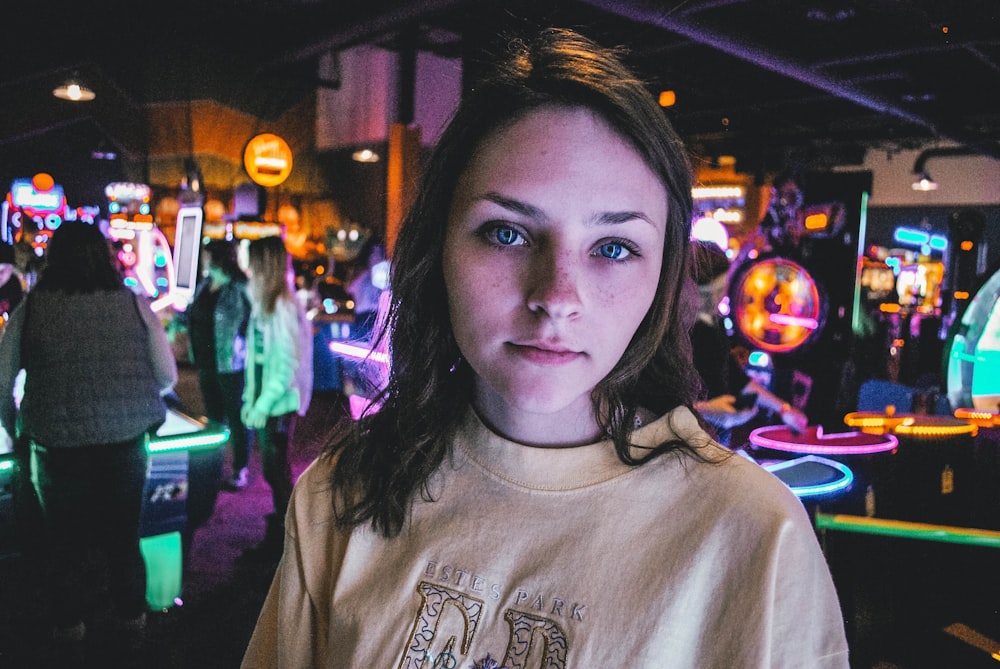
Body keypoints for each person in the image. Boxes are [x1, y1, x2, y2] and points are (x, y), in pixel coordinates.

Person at [241, 28, 848, 667]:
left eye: (614, 248)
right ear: (437, 248)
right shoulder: (344, 491)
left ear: (662, 277)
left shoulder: (754, 534)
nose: (557, 296)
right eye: (507, 233)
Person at [0, 220, 177, 659]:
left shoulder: (32, 309)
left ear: (53, 258)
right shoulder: (135, 305)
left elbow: (2, 382)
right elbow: (167, 376)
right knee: (123, 538)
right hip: (125, 443)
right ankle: (131, 628)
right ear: (104, 256)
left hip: (55, 447)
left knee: (64, 545)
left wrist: (16, 428)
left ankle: (69, 633)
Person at [690, 239, 808, 446]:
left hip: (714, 440)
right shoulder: (667, 333)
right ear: (688, 287)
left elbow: (737, 379)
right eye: (712, 294)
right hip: (684, 444)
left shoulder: (713, 324)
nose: (720, 300)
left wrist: (784, 409)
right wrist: (705, 410)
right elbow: (646, 409)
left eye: (721, 292)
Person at [241, 235, 313, 561]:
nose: (246, 265)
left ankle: (287, 545)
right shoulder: (265, 301)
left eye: (252, 259)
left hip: (279, 404)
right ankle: (284, 542)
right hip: (269, 401)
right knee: (275, 472)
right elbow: (257, 361)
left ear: (263, 264)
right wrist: (250, 398)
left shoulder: (282, 305)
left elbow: (285, 366)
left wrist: (262, 403)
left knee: (277, 472)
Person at [172, 239, 252, 491]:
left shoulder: (240, 288)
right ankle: (216, 467)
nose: (204, 260)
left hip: (230, 362)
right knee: (214, 417)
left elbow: (252, 322)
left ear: (218, 259)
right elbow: (190, 312)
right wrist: (177, 323)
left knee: (237, 416)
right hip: (205, 361)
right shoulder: (204, 284)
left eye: (207, 256)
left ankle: (240, 468)